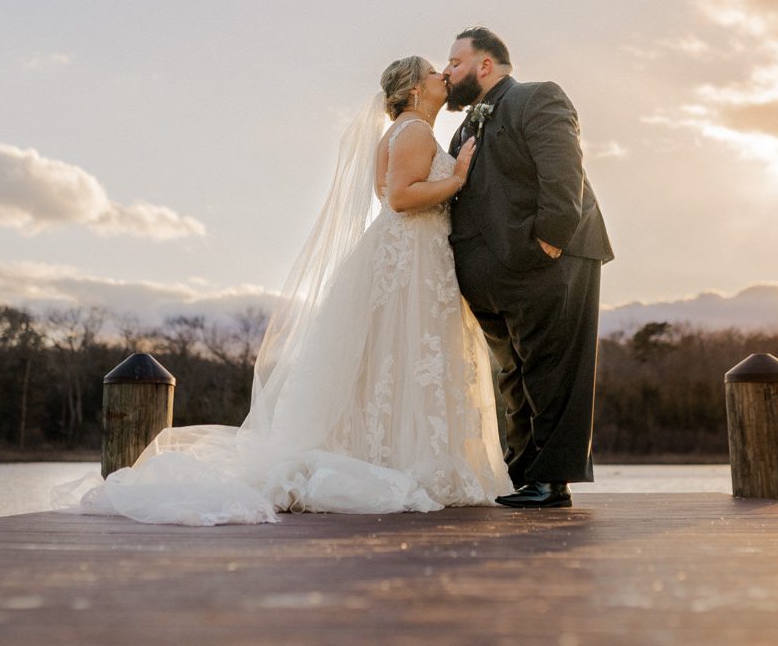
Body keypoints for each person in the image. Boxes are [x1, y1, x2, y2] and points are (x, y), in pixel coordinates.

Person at [76, 56, 512, 525]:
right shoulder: (416, 132)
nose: (441, 76)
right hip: (411, 257)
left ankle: (389, 454)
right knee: (408, 354)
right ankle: (409, 462)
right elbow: (402, 199)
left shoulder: (393, 136)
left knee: (392, 359)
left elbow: (386, 197)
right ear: (411, 90)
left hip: (401, 255)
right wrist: (458, 179)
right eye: (431, 72)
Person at [444, 27, 613, 509]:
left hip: (550, 259)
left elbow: (563, 170)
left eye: (455, 62)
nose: (447, 72)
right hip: (494, 275)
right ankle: (524, 473)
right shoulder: (463, 128)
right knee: (512, 377)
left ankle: (552, 480)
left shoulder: (538, 97)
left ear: (484, 65)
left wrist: (549, 242)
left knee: (554, 368)